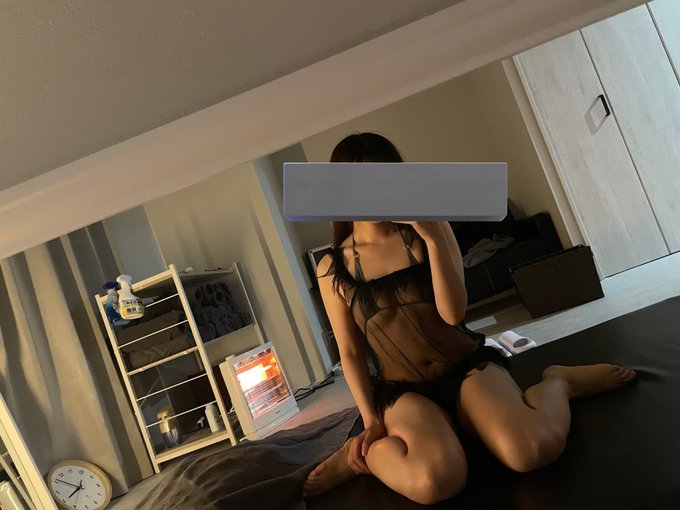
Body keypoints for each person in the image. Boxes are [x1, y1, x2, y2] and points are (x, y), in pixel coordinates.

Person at [302, 132, 637, 505]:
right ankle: (359, 457)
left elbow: (453, 314)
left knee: (532, 450)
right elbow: (350, 352)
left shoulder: (429, 230)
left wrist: (432, 237)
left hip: (466, 367)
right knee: (434, 482)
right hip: (404, 391)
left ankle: (559, 383)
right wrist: (371, 420)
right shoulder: (332, 267)